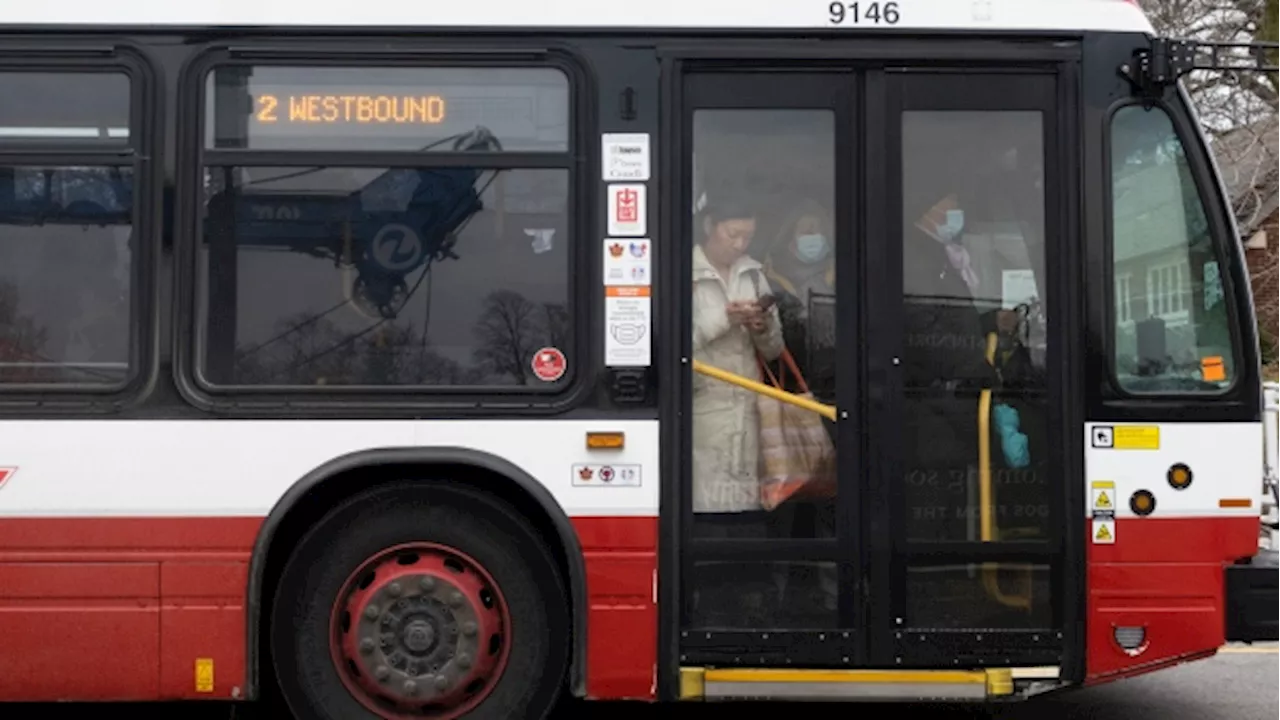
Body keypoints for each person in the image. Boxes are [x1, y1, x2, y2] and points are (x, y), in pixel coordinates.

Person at [690, 195, 784, 626]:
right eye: (733, 234)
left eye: (747, 235)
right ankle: (706, 613)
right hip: (701, 410)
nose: (740, 243)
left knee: (748, 518)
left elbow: (775, 349)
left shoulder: (754, 273)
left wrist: (762, 327)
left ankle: (748, 613)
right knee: (707, 515)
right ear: (711, 226)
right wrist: (725, 319)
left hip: (747, 411)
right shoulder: (685, 274)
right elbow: (670, 345)